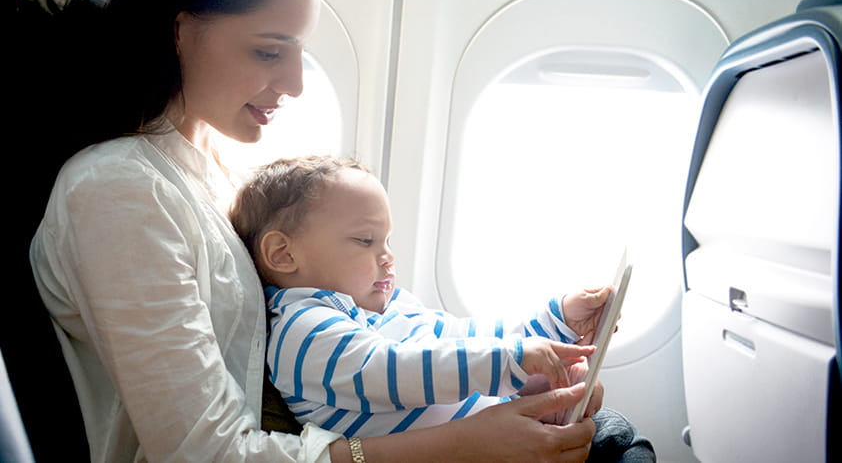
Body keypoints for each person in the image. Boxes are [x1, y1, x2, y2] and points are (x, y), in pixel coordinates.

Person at [27, 0, 637, 461]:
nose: (294, 83)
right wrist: (466, 445)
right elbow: (204, 453)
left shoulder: (218, 170)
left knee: (603, 431)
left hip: (320, 437)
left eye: (299, 53)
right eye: (269, 50)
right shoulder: (121, 191)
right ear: (179, 31)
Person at [229, 155, 616, 438]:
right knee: (616, 437)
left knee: (609, 422)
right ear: (283, 254)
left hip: (506, 428)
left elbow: (465, 337)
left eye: (387, 240)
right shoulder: (302, 332)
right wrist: (511, 361)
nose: (387, 255)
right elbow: (395, 370)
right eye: (365, 240)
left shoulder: (390, 309)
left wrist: (557, 321)